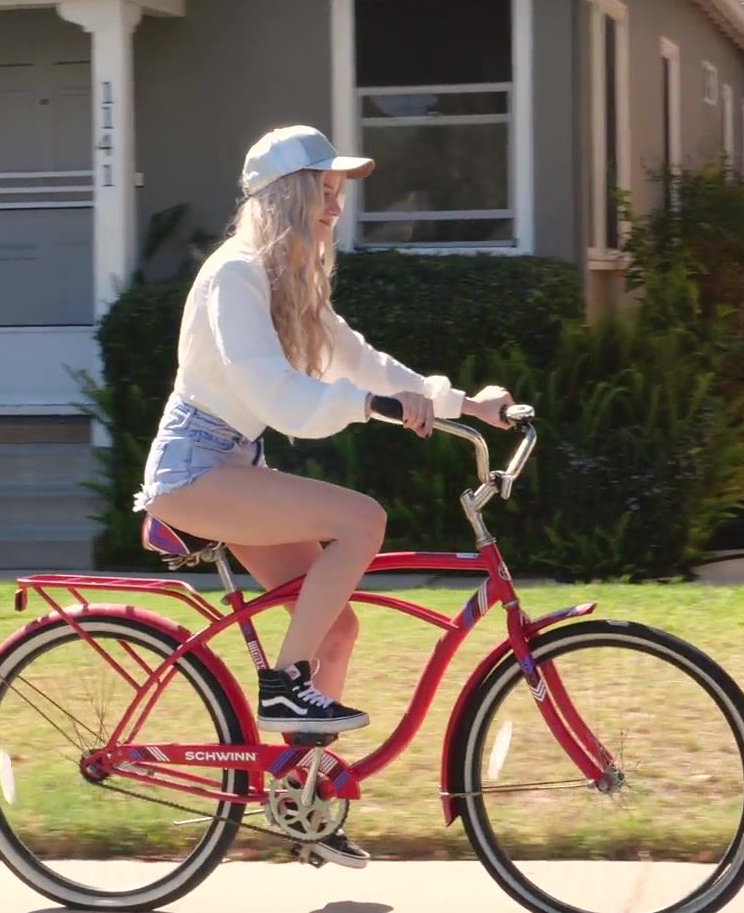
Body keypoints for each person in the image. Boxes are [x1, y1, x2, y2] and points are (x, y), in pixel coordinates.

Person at [132, 125, 515, 867]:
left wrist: (467, 405)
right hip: (193, 472)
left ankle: (303, 802)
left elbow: (366, 362)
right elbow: (275, 395)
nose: (336, 207)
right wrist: (363, 407)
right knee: (361, 520)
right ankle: (284, 685)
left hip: (235, 465)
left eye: (339, 192)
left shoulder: (290, 285)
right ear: (287, 197)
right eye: (325, 191)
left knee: (337, 630)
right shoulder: (234, 276)